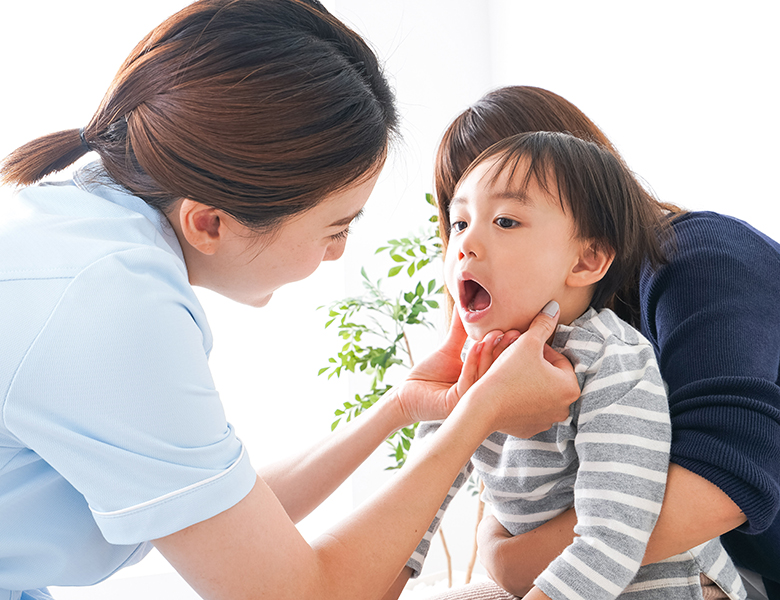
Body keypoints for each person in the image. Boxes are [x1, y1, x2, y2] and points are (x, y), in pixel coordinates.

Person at [0, 6, 583, 600]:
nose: (337, 254)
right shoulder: (109, 306)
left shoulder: (73, 228)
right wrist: (477, 414)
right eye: (335, 229)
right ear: (209, 223)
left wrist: (400, 406)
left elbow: (229, 517)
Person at [401, 86, 780, 599]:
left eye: (507, 217)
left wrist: (509, 559)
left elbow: (725, 482)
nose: (468, 244)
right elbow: (481, 486)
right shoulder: (533, 335)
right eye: (460, 220)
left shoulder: (695, 262)